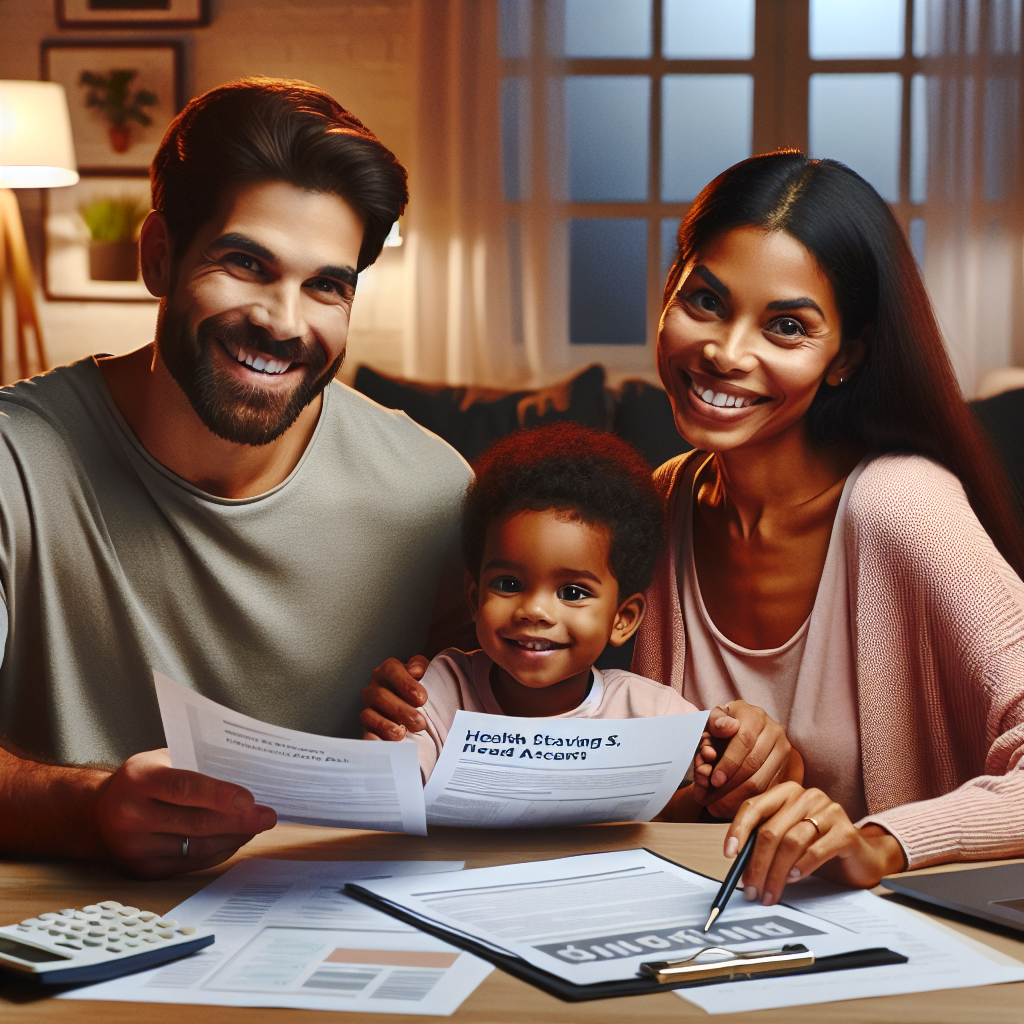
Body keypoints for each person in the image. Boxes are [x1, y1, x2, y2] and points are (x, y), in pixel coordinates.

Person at [0, 78, 472, 878]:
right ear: (159, 256)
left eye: (327, 284)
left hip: (341, 932)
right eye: (246, 263)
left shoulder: (434, 492)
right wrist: (85, 810)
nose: (286, 322)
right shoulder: (16, 463)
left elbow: (500, 725)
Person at [632, 151, 1024, 906]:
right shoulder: (657, 508)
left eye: (785, 326)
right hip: (704, 930)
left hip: (904, 958)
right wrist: (431, 697)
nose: (724, 351)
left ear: (844, 357)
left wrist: (879, 842)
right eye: (705, 301)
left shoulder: (902, 504)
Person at [369, 424, 714, 809]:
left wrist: (716, 776)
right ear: (474, 597)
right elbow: (394, 794)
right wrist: (384, 755)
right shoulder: (441, 690)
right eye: (508, 584)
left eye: (572, 593)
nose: (533, 610)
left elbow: (712, 788)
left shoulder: (651, 712)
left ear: (623, 619)